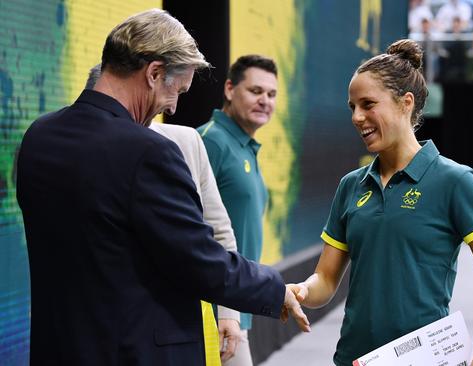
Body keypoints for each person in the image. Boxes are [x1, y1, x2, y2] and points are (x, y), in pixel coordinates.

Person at [16, 10, 308, 366]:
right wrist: (274, 287)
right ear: (154, 73)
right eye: (177, 90)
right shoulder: (147, 151)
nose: (172, 106)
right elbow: (198, 259)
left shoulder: (39, 136)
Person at [288, 39, 473, 366]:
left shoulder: (455, 181)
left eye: (368, 104)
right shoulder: (351, 186)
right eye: (352, 107)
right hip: (354, 359)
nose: (357, 117)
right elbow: (325, 279)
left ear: (405, 103)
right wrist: (302, 291)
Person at [85, 63, 242, 365]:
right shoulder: (84, 151)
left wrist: (228, 313)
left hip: (183, 326)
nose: (172, 107)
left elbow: (218, 232)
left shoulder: (186, 141)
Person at [197, 54, 278, 366]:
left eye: (271, 95)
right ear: (230, 89)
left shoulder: (245, 147)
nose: (265, 101)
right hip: (213, 309)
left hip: (237, 307)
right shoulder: (209, 142)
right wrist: (220, 312)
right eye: (256, 91)